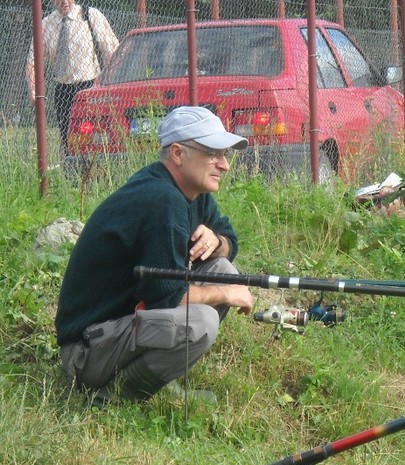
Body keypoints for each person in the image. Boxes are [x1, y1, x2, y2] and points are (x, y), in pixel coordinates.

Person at [55, 106, 255, 406]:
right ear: (177, 153)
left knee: (223, 267)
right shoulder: (162, 200)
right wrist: (226, 293)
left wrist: (217, 240)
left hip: (119, 326)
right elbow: (167, 298)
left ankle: (152, 379)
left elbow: (231, 240)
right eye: (213, 153)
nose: (224, 164)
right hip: (86, 350)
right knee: (201, 322)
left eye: (225, 153)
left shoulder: (190, 193)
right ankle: (116, 397)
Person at [26, 0, 119, 155]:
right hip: (64, 89)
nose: (64, 2)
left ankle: (100, 168)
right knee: (67, 138)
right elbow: (32, 62)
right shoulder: (46, 24)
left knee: (96, 135)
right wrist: (33, 90)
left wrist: (108, 81)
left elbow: (112, 51)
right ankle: (69, 171)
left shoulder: (90, 16)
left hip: (91, 86)